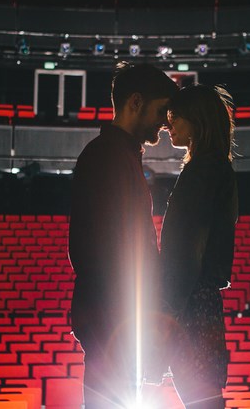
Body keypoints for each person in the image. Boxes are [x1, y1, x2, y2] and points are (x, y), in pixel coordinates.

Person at [68, 61, 178, 409]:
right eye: (162, 110)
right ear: (135, 102)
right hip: (114, 320)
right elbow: (96, 249)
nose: (165, 121)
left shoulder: (118, 155)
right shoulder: (106, 157)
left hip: (119, 320)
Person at [158, 84, 238, 409]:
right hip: (201, 297)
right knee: (203, 395)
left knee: (200, 397)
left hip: (190, 298)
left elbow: (186, 249)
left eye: (174, 118)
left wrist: (168, 308)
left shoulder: (202, 172)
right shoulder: (218, 168)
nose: (167, 126)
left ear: (196, 119)